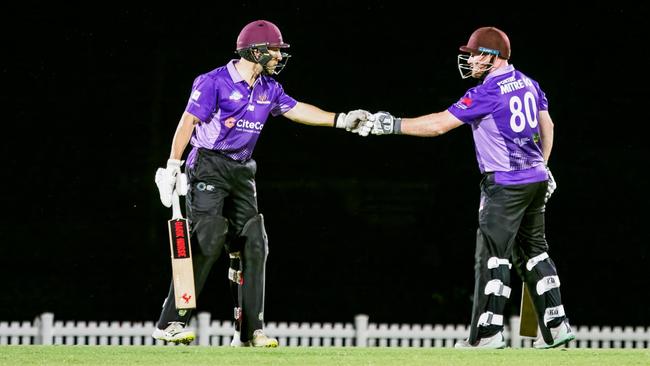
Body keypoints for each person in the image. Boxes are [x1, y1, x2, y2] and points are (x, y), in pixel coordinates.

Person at [152, 19, 369, 347]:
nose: (280, 56)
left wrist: (341, 120)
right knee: (209, 237)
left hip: (242, 171)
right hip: (207, 166)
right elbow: (188, 121)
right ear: (255, 51)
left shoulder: (270, 88)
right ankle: (170, 323)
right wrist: (172, 164)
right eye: (275, 50)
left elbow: (297, 110)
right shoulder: (214, 82)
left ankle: (249, 331)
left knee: (254, 242)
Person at [358, 26, 574, 349]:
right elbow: (549, 125)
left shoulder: (488, 91)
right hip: (535, 180)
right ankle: (557, 327)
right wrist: (542, 164)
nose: (470, 60)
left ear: (492, 56)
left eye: (474, 54)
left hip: (504, 184)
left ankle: (486, 334)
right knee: (534, 251)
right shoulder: (530, 83)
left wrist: (393, 124)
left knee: (492, 256)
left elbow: (439, 125)